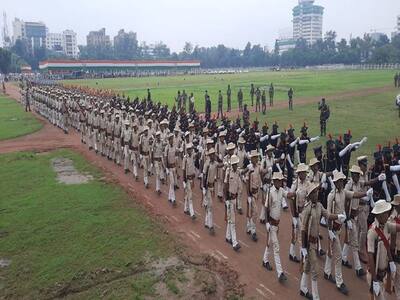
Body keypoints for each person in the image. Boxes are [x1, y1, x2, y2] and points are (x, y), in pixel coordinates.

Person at [324, 170, 372, 295]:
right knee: (338, 255)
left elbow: (354, 194)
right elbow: (328, 214)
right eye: (339, 181)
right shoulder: (331, 196)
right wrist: (330, 229)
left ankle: (327, 272)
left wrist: (365, 193)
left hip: (339, 227)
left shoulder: (344, 192)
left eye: (341, 181)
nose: (341, 182)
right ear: (335, 182)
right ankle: (339, 282)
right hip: (333, 228)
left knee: (331, 251)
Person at [300, 182, 346, 300]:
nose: (316, 194)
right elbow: (303, 229)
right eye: (314, 192)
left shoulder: (320, 206)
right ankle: (316, 297)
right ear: (309, 196)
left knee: (307, 267)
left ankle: (303, 288)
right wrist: (303, 247)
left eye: (317, 191)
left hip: (315, 243)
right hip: (309, 243)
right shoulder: (307, 209)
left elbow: (328, 215)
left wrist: (338, 216)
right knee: (315, 270)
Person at [367, 200, 400, 300]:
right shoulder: (372, 232)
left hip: (383, 273)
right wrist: (375, 280)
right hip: (375, 275)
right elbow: (370, 256)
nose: (387, 214)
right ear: (379, 215)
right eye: (385, 213)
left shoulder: (386, 225)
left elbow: (397, 228)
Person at [262, 171, 292, 282]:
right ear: (274, 181)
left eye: (281, 180)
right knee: (276, 247)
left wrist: (298, 192)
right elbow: (266, 208)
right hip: (271, 223)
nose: (280, 182)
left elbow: (288, 195)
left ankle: (265, 260)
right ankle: (280, 273)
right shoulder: (270, 192)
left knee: (270, 243)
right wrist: (266, 223)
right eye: (278, 180)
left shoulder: (281, 191)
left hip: (277, 225)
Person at [224, 154, 241, 251]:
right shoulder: (228, 172)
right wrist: (226, 200)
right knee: (233, 222)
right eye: (233, 164)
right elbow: (225, 186)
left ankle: (227, 236)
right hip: (229, 199)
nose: (235, 165)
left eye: (236, 164)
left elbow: (238, 187)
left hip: (234, 198)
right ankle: (234, 242)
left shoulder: (237, 172)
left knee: (230, 219)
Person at [203, 148, 218, 234]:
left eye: (213, 154)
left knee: (208, 206)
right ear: (209, 156)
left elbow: (220, 165)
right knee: (210, 206)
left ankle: (206, 222)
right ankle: (211, 226)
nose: (213, 156)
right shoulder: (207, 164)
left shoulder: (215, 163)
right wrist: (204, 188)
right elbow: (204, 176)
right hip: (207, 187)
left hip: (212, 187)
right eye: (211, 154)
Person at [183, 143, 196, 219]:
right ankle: (192, 213)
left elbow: (193, 167)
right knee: (190, 196)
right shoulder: (185, 158)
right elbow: (184, 169)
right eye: (188, 149)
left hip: (191, 178)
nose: (189, 150)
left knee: (188, 194)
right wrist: (184, 180)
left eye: (190, 149)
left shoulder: (192, 157)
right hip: (187, 179)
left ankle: (185, 208)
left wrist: (193, 180)